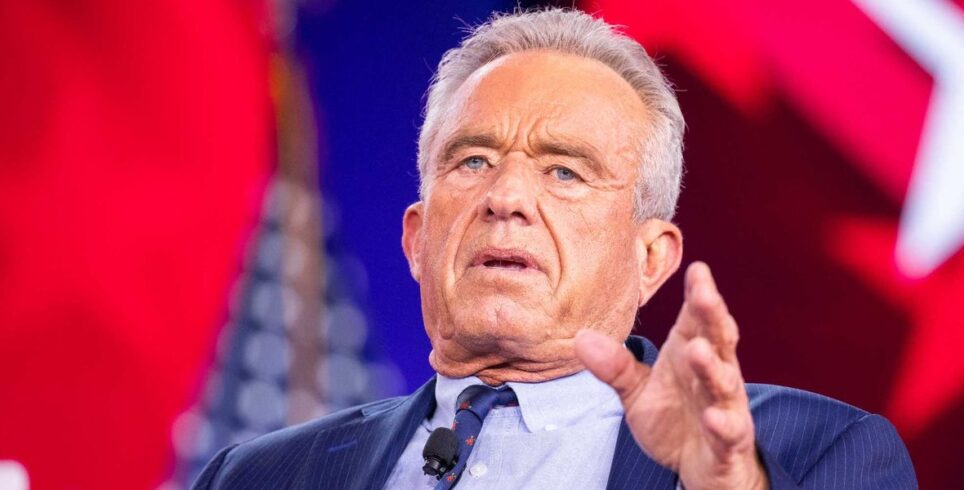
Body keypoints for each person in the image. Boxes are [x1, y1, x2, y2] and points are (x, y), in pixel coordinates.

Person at [192, 8, 916, 490]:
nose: (505, 196)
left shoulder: (819, 453)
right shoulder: (260, 477)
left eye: (565, 171)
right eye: (473, 160)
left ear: (651, 258)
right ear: (416, 239)